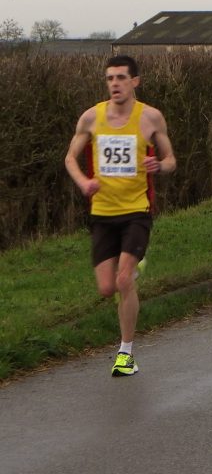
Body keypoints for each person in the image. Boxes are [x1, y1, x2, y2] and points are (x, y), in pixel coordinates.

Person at [65, 55, 176, 377]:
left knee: (124, 279)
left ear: (135, 82)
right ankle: (133, 266)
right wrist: (84, 182)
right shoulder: (91, 118)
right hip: (102, 213)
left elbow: (171, 160)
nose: (114, 84)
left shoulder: (151, 118)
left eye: (121, 78)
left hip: (136, 211)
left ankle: (126, 354)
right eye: (110, 78)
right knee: (106, 288)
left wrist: (160, 166)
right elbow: (70, 159)